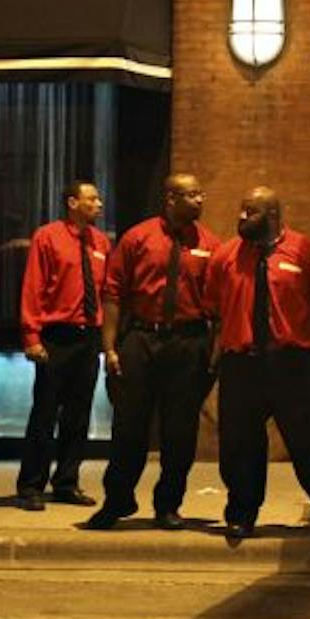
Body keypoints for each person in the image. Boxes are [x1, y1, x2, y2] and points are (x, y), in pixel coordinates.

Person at [203, 186, 310, 541]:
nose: (242, 218)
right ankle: (241, 514)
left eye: (251, 212)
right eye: (242, 210)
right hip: (241, 364)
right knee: (240, 445)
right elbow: (213, 305)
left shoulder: (306, 252)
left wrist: (294, 328)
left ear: (272, 215)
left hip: (292, 363)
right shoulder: (226, 257)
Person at [88, 173, 220, 531]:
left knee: (181, 431)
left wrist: (214, 352)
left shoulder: (210, 244)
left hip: (189, 342)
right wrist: (110, 347)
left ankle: (168, 505)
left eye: (200, 193)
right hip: (142, 338)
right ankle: (117, 500)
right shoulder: (138, 237)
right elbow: (113, 293)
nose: (199, 200)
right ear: (171, 198)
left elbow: (219, 305)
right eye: (191, 194)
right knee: (129, 426)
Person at [15, 179, 111, 510]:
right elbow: (33, 288)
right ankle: (30, 485)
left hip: (88, 337)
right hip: (56, 336)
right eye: (92, 199)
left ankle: (67, 482)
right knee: (45, 413)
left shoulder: (100, 242)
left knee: (78, 415)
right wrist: (31, 337)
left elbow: (105, 292)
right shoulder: (48, 236)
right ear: (72, 202)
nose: (99, 204)